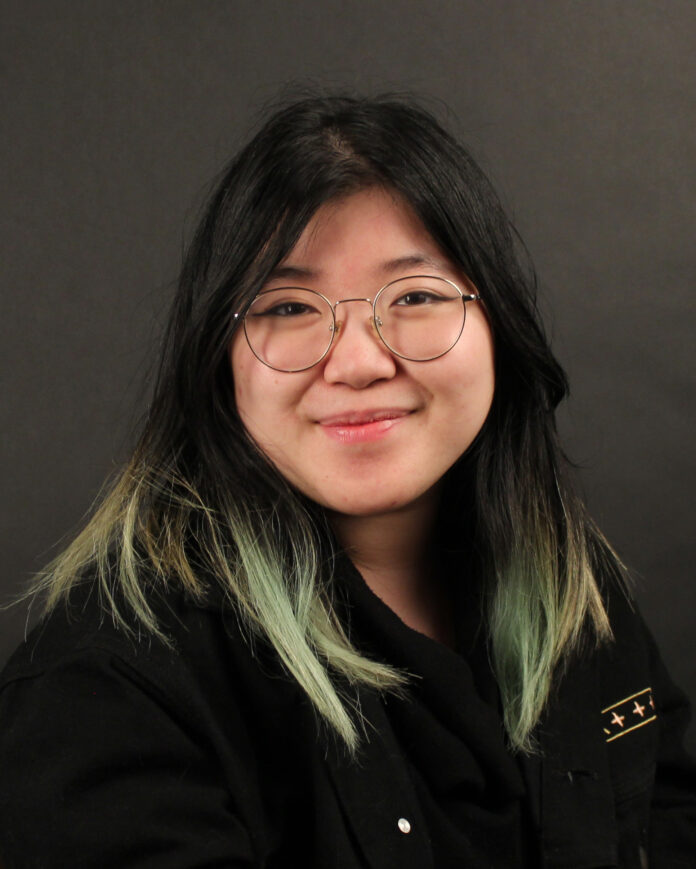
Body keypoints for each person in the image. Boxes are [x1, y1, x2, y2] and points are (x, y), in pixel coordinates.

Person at [0, 94, 694, 868]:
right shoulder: (105, 690)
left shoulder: (576, 592)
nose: (359, 361)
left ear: (500, 325)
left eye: (417, 297)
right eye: (290, 306)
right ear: (217, 358)